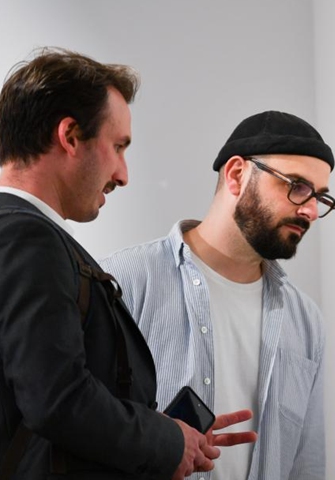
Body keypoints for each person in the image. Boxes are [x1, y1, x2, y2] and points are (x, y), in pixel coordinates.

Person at [0, 48, 255, 480]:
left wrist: (170, 435)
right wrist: (168, 441)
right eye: (118, 147)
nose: (123, 174)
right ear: (70, 135)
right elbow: (56, 398)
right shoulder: (29, 239)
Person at [101, 110, 335, 480]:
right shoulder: (125, 282)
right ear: (237, 175)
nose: (310, 210)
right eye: (297, 186)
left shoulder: (305, 319)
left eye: (320, 197)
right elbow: (76, 426)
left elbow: (307, 463)